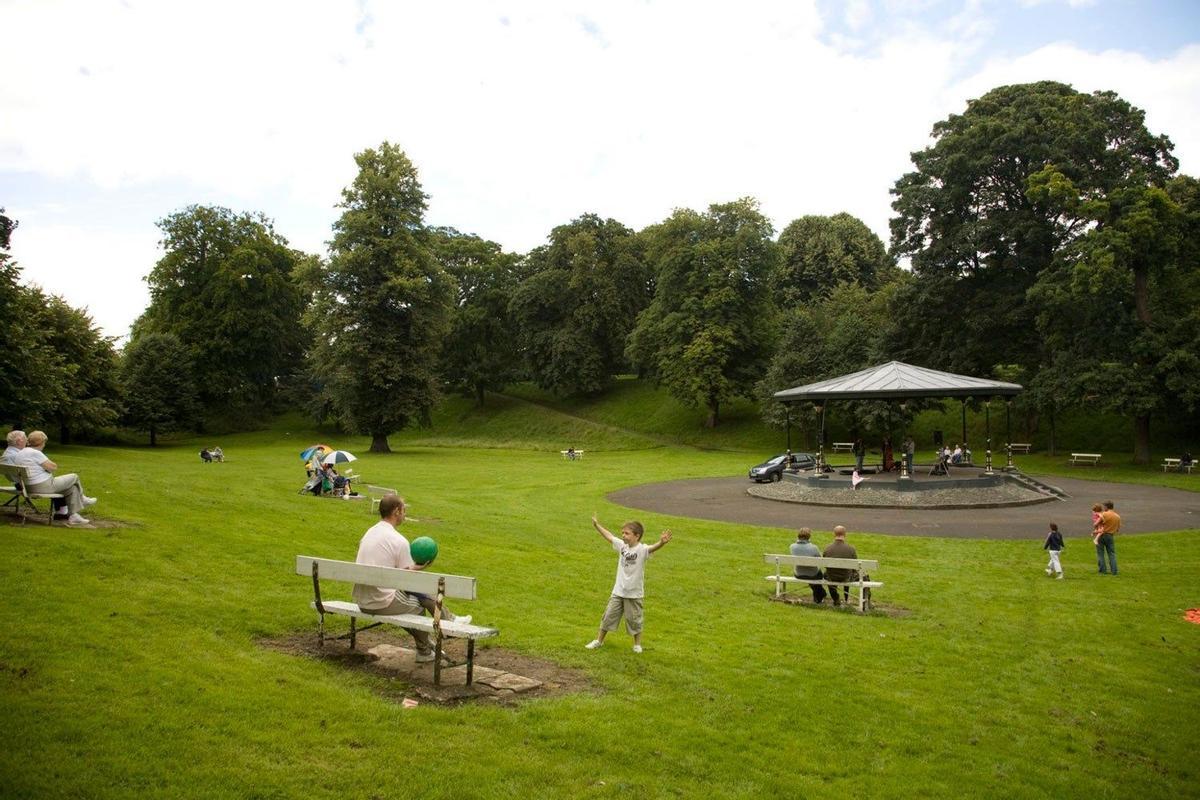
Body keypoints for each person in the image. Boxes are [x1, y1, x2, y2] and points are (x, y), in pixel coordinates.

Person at [351, 494, 469, 663]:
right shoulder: (398, 541)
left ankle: (440, 630)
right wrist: (418, 570)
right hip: (379, 601)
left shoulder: (370, 532)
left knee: (416, 597)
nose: (405, 514)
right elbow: (408, 581)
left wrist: (414, 568)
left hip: (363, 598)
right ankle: (427, 649)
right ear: (396, 511)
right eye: (404, 510)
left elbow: (398, 573)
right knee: (416, 606)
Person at [585, 513, 671, 653]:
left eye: (627, 533)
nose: (623, 536)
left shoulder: (642, 550)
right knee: (608, 617)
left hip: (634, 593)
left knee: (634, 621)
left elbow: (653, 548)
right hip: (618, 591)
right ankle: (599, 641)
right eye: (623, 533)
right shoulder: (622, 546)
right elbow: (609, 536)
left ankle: (637, 645)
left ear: (636, 536)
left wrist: (661, 542)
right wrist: (596, 525)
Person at [12, 430, 95, 526]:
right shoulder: (35, 453)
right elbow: (53, 467)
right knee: (74, 477)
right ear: (41, 443)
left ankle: (74, 516)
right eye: (44, 443)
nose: (44, 445)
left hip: (27, 486)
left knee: (72, 488)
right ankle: (83, 499)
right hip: (42, 486)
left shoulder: (21, 452)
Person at [822, 525, 868, 607]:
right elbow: (855, 567)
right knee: (865, 576)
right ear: (845, 534)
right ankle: (866, 602)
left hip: (831, 577)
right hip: (846, 577)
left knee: (828, 574)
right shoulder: (851, 549)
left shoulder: (827, 548)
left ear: (834, 534)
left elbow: (825, 565)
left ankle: (836, 599)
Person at [789, 528, 826, 604]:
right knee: (817, 575)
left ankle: (820, 595)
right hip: (813, 574)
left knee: (813, 576)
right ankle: (820, 596)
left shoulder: (792, 547)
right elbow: (820, 560)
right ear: (809, 537)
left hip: (798, 574)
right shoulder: (813, 547)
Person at [1096, 500, 1121, 575]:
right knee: (1111, 553)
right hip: (1110, 536)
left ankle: (1103, 570)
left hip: (1101, 534)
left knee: (1100, 553)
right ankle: (1114, 570)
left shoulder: (1104, 514)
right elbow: (1118, 529)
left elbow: (1096, 523)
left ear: (1107, 507)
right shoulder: (1117, 516)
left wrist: (1097, 528)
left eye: (1104, 506)